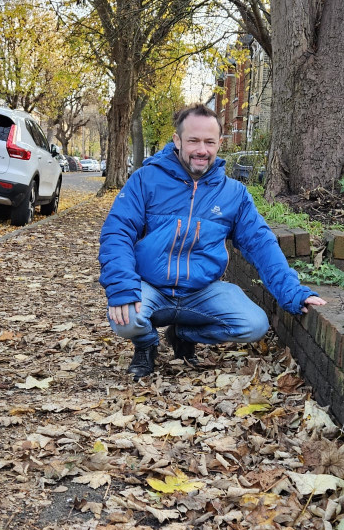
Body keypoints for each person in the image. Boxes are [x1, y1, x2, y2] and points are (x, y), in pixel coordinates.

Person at [98, 103, 327, 379]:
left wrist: (292, 293)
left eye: (209, 142)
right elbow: (117, 232)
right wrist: (122, 286)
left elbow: (261, 244)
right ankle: (146, 344)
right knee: (124, 320)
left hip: (201, 291)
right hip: (152, 288)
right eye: (193, 140)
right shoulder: (145, 180)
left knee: (255, 324)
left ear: (220, 143)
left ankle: (183, 334)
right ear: (177, 140)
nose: (201, 150)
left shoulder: (234, 194)